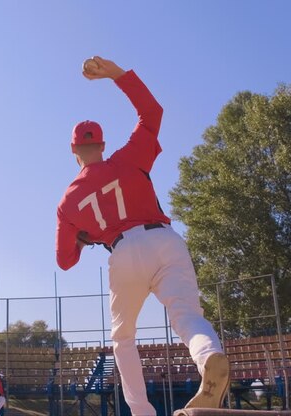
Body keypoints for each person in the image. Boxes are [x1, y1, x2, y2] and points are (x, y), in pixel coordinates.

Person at [55, 55, 230, 416]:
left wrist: (84, 237)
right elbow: (152, 111)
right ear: (102, 145)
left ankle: (141, 412)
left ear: (74, 151)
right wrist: (115, 74)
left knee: (123, 339)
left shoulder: (68, 201)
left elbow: (65, 261)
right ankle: (209, 355)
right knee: (186, 316)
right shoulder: (129, 157)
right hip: (164, 240)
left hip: (122, 252)